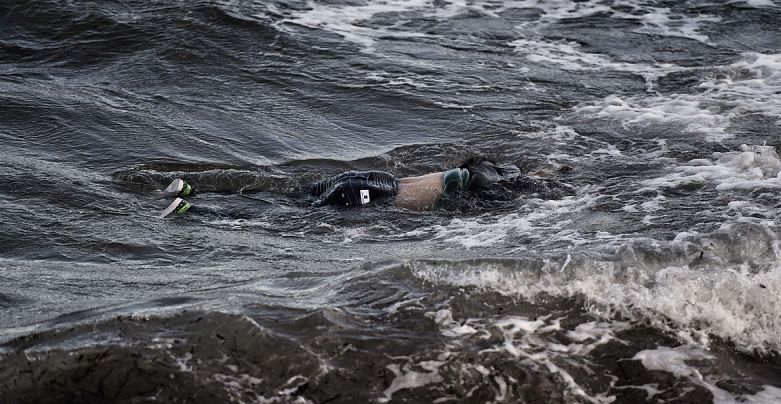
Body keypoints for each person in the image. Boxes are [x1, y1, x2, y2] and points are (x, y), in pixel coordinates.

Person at [158, 159, 521, 217]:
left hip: (374, 178)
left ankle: (191, 190)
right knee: (284, 216)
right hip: (375, 194)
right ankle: (194, 210)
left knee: (286, 199)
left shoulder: (477, 168)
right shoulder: (484, 190)